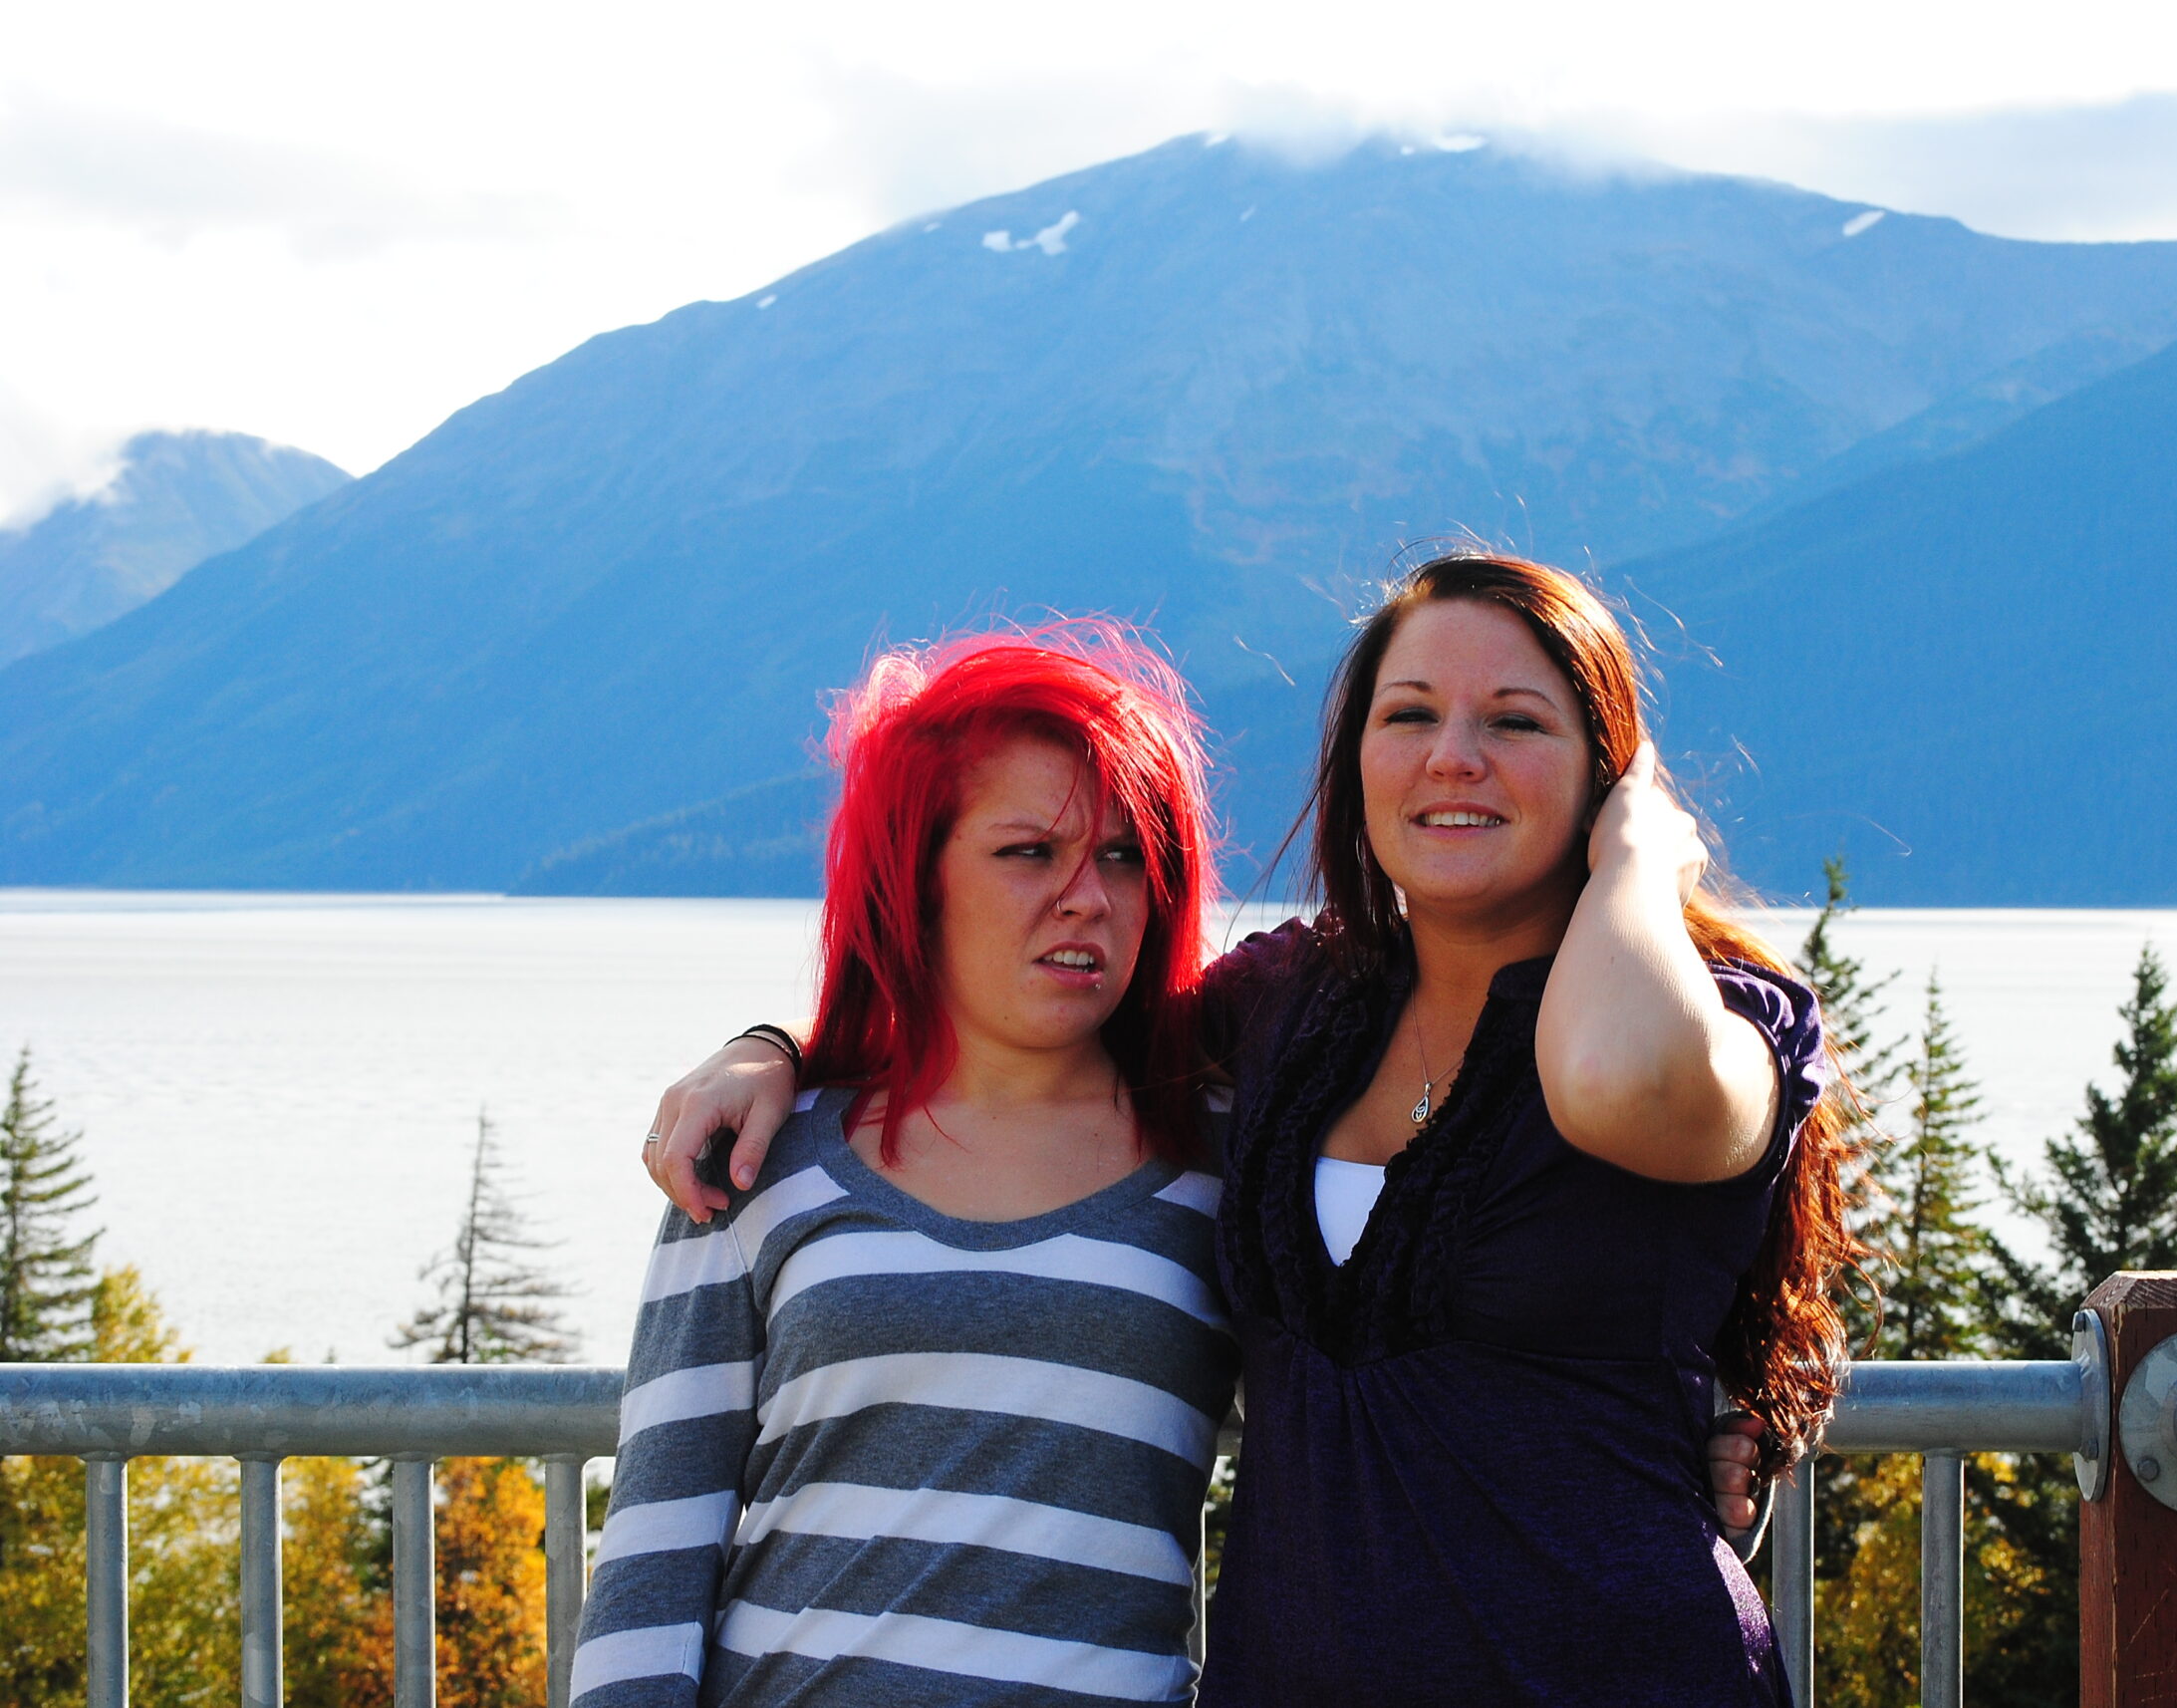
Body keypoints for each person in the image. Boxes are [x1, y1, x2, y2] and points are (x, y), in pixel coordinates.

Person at [647, 553, 1862, 1703]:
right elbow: (1030, 1021)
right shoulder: (1293, 1011)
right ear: (1354, 759)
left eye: (1516, 722)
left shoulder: (1724, 1024)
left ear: (1606, 770)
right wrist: (783, 1048)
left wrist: (1640, 862)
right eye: (1409, 714)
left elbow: (1609, 1075)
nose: (1454, 757)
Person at [570, 625, 1239, 1707]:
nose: (1088, 895)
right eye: (1030, 852)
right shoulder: (763, 1153)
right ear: (915, 880)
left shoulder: (1227, 1163)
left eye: (1124, 854)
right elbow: (655, 1551)